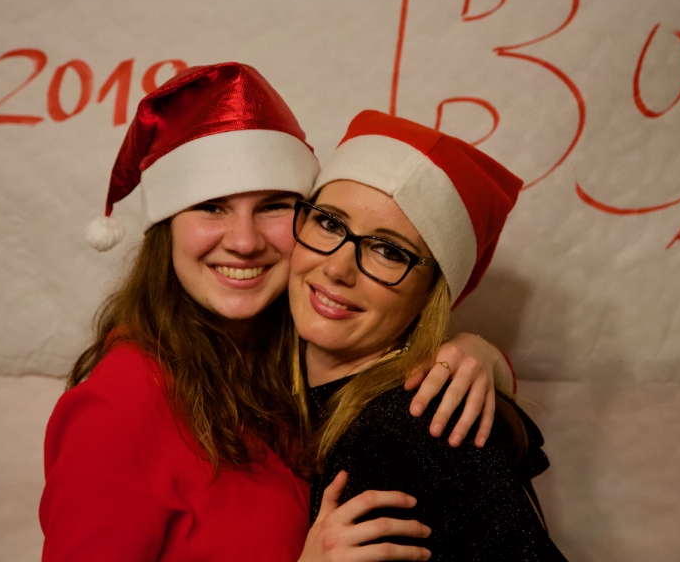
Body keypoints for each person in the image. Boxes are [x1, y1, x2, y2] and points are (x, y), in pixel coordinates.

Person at [40, 64, 515, 561]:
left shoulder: (291, 356)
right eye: (211, 206)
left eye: (271, 206)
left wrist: (479, 356)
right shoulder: (122, 404)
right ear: (166, 227)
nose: (244, 242)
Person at [292, 111, 567, 560]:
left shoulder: (398, 432)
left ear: (431, 294)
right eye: (330, 223)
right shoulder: (269, 378)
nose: (338, 268)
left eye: (388, 251)